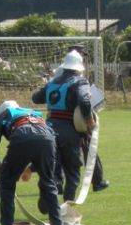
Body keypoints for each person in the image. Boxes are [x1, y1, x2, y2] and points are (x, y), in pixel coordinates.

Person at [0, 100, 64, 225]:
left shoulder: (6, 114)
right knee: (48, 182)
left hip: (22, 136)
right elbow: (45, 140)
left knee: (7, 183)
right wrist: (31, 168)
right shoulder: (34, 113)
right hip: (48, 139)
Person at [32, 50, 95, 202]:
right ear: (78, 67)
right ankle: (67, 208)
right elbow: (85, 101)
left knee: (54, 169)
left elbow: (36, 98)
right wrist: (88, 120)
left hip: (49, 129)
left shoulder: (52, 82)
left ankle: (48, 200)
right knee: (72, 172)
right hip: (70, 130)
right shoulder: (80, 81)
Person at [65, 44, 110, 192]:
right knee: (89, 148)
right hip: (78, 117)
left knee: (60, 151)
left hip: (61, 117)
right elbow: (85, 98)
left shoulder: (61, 72)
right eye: (82, 54)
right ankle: (97, 181)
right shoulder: (76, 73)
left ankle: (58, 184)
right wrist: (89, 116)